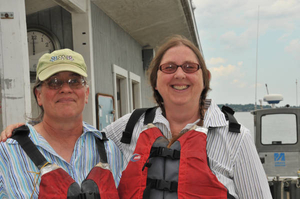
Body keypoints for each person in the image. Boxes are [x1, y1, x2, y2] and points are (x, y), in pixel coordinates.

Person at [1, 36, 272, 198]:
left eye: (190, 67)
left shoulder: (235, 138)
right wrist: (22, 133)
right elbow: (68, 129)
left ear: (205, 78)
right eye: (169, 67)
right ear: (155, 81)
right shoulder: (128, 129)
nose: (179, 74)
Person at [0, 49, 122, 198]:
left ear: (86, 93)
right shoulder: (7, 153)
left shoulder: (109, 151)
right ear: (39, 95)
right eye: (54, 82)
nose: (65, 89)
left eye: (75, 81)